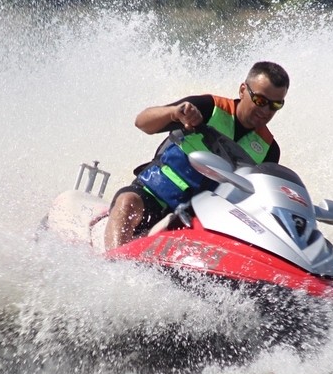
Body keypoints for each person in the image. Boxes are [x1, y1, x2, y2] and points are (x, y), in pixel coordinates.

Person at [104, 61, 289, 250]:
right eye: (260, 100)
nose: (265, 110)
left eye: (275, 105)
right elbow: (142, 122)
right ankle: (115, 266)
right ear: (243, 90)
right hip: (154, 196)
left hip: (201, 219)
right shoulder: (209, 107)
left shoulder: (270, 150)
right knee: (127, 202)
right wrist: (174, 114)